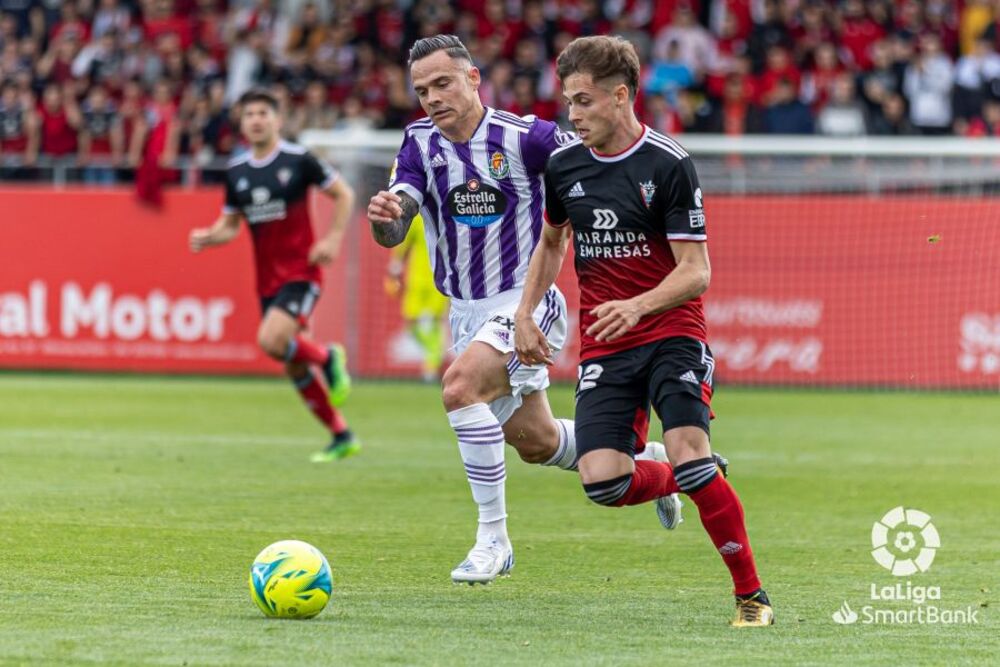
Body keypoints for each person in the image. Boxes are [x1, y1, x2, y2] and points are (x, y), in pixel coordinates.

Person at [367, 35, 679, 585]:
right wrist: (385, 217)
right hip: (465, 311)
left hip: (526, 302)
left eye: (443, 83)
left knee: (459, 389)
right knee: (537, 443)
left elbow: (592, 172)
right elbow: (397, 224)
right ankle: (653, 460)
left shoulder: (528, 138)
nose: (432, 98)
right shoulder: (418, 143)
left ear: (473, 78)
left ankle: (494, 539)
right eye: (421, 90)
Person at [514, 35, 773, 627]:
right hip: (606, 343)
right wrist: (528, 312)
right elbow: (553, 243)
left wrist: (636, 305)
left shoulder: (668, 163)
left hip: (672, 333)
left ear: (621, 96)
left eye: (582, 101)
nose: (572, 115)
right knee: (602, 482)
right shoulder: (563, 166)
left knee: (691, 455)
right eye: (568, 102)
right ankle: (673, 483)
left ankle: (751, 597)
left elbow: (696, 272)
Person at [189, 88, 358, 463]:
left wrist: (331, 239)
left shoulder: (299, 160)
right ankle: (341, 434)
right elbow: (231, 226)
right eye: (250, 115)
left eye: (264, 113)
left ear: (278, 119)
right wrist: (209, 238)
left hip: (301, 272)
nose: (257, 120)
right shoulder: (237, 171)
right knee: (293, 363)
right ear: (242, 124)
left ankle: (330, 357)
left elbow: (344, 195)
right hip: (266, 281)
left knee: (270, 340)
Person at [384, 214, 450, 382]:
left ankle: (431, 366)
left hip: (439, 278)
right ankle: (434, 352)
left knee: (435, 323)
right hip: (416, 279)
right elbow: (403, 244)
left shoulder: (445, 216)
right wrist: (395, 266)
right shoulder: (416, 218)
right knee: (410, 321)